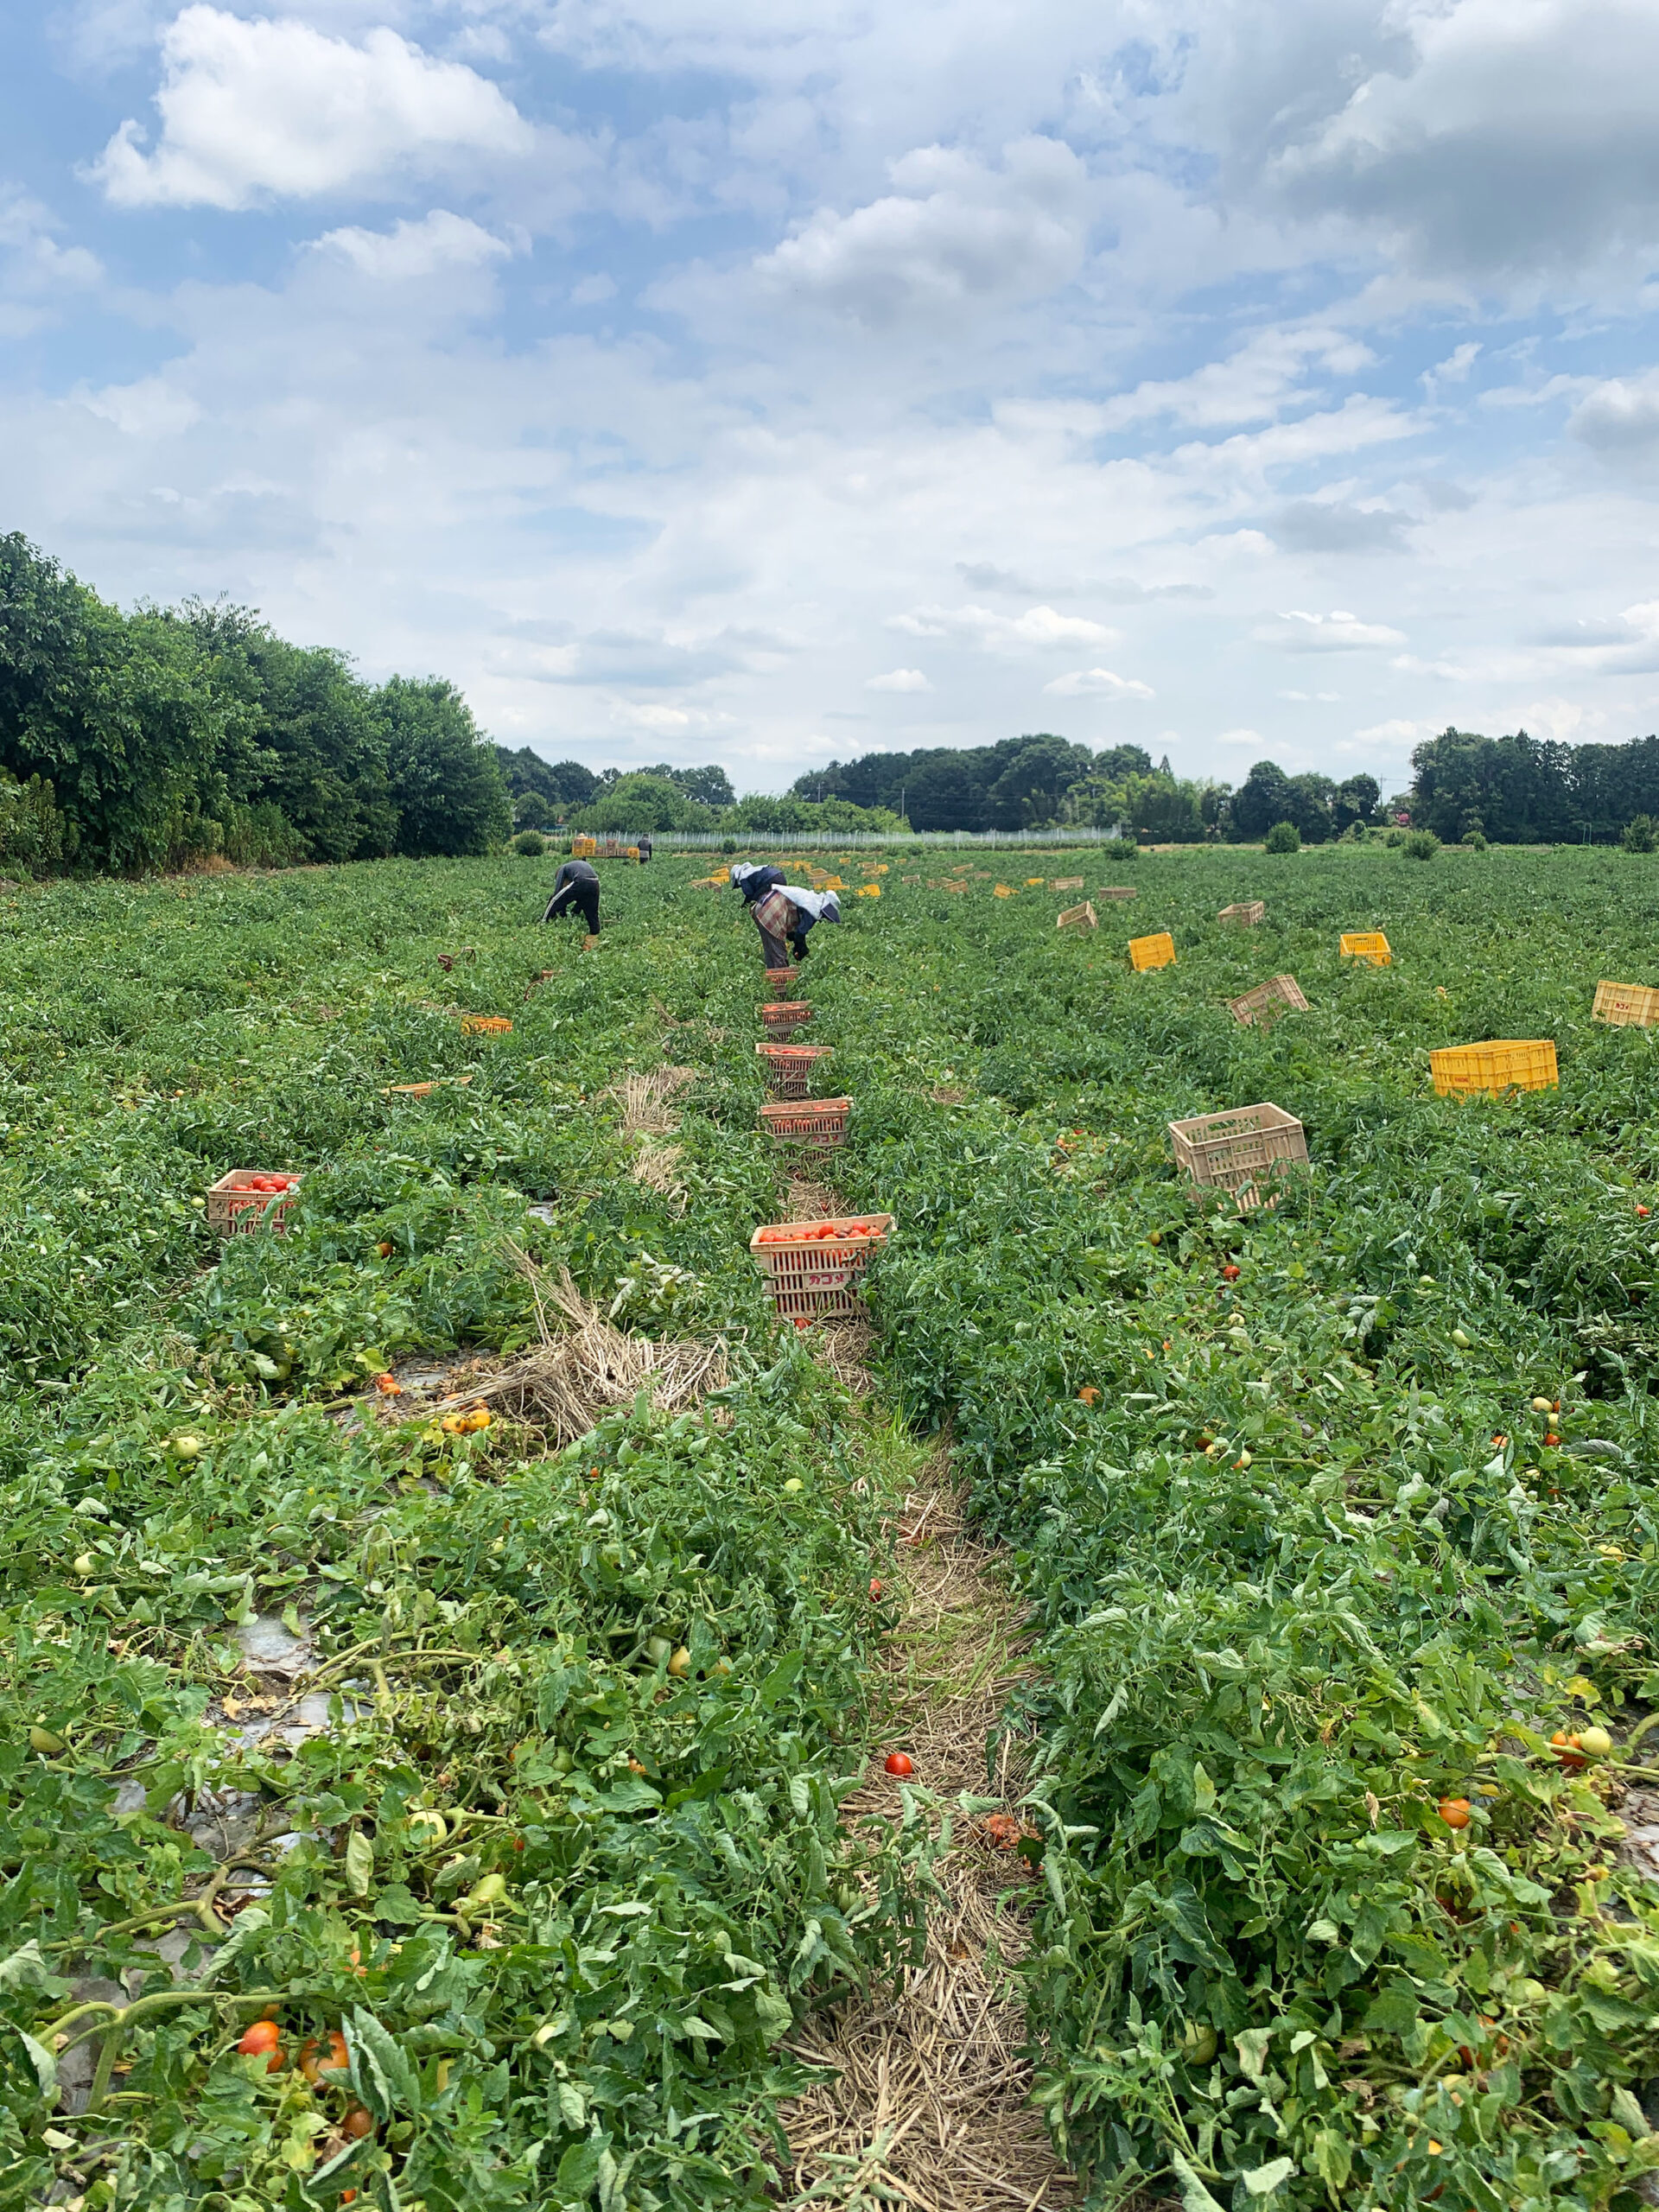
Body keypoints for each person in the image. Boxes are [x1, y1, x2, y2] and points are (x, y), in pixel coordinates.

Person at [730, 863, 841, 964]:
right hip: (771, 910)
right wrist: (801, 947)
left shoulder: (811, 900)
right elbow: (800, 933)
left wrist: (797, 942)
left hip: (767, 906)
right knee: (777, 952)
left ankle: (775, 979)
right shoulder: (814, 909)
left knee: (773, 948)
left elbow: (795, 929)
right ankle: (780, 983)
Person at [543, 854, 600, 932]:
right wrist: (573, 913)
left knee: (555, 900)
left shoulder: (563, 869)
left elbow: (557, 894)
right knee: (593, 915)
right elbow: (581, 903)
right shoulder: (574, 867)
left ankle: (543, 923)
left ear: (565, 879)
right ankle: (595, 935)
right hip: (595, 882)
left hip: (581, 879)